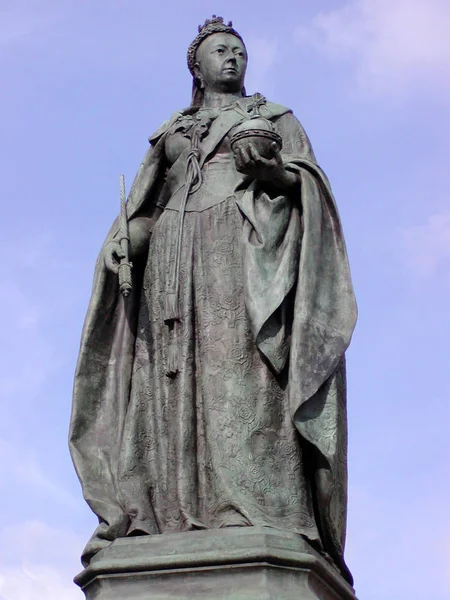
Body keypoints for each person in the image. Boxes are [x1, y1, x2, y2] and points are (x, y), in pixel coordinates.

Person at [69, 16, 357, 584]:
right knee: (167, 385)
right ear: (196, 67)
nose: (232, 58)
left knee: (238, 376)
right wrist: (127, 240)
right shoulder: (171, 130)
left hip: (240, 253)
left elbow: (308, 184)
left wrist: (275, 172)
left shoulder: (274, 119)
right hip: (174, 261)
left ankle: (257, 506)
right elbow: (149, 206)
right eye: (220, 50)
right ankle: (161, 510)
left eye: (239, 51)